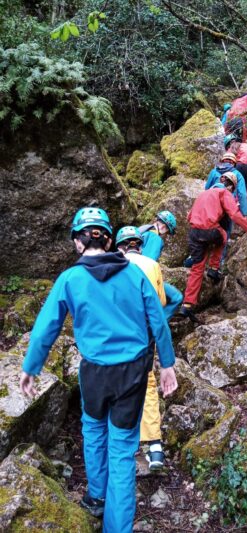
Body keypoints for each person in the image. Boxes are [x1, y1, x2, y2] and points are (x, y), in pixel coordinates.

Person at [20, 207, 178, 533]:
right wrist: (168, 365)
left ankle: (95, 496)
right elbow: (158, 322)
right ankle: (116, 527)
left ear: (78, 243)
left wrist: (31, 368)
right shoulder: (135, 274)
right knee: (122, 450)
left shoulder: (70, 279)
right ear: (108, 241)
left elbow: (46, 327)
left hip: (94, 372)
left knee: (93, 431)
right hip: (133, 373)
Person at [116, 225, 167, 471]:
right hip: (144, 334)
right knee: (147, 384)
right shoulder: (152, 265)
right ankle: (154, 446)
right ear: (139, 244)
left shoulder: (111, 267)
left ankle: (122, 440)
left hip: (117, 333)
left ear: (120, 246)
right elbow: (161, 302)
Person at [180, 174, 247, 322]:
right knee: (223, 235)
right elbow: (235, 215)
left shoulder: (203, 194)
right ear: (231, 186)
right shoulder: (224, 193)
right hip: (210, 231)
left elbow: (189, 217)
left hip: (194, 232)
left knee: (197, 268)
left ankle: (187, 305)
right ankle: (214, 268)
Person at [139, 210, 182, 321]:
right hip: (142, 279)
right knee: (177, 297)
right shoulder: (155, 238)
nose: (165, 234)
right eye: (167, 231)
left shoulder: (143, 229)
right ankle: (157, 324)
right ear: (164, 226)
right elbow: (148, 263)